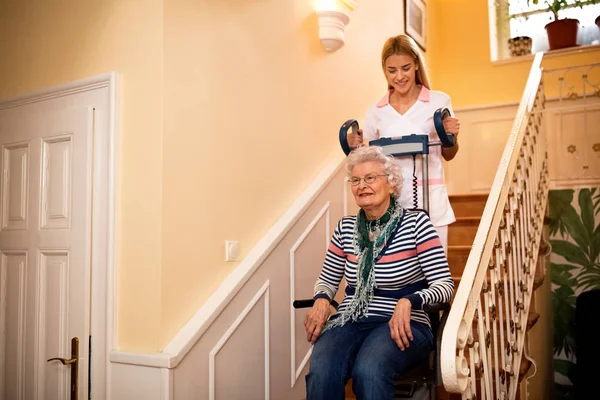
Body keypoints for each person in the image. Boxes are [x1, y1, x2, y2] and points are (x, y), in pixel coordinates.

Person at [304, 146, 454, 400]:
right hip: (350, 318)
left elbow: (445, 285)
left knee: (369, 370)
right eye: (356, 180)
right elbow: (328, 279)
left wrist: (410, 300)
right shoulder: (345, 227)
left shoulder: (417, 225)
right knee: (322, 369)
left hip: (405, 323)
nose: (362, 185)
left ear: (392, 184)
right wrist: (322, 299)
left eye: (370, 178)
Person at [347, 34, 460, 251]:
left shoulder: (439, 102)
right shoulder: (376, 111)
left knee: (435, 278)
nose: (399, 76)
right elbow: (367, 159)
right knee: (394, 277)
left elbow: (449, 154)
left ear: (416, 64)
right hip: (387, 208)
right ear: (384, 70)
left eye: (406, 68)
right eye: (392, 70)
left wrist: (450, 136)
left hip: (431, 204)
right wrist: (355, 146)